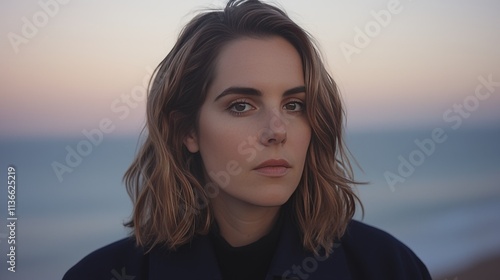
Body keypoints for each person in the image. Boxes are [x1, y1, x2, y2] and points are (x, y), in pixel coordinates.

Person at [63, 0, 431, 279]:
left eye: (294, 105)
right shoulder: (100, 274)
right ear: (186, 131)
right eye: (241, 106)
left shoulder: (386, 266)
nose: (277, 130)